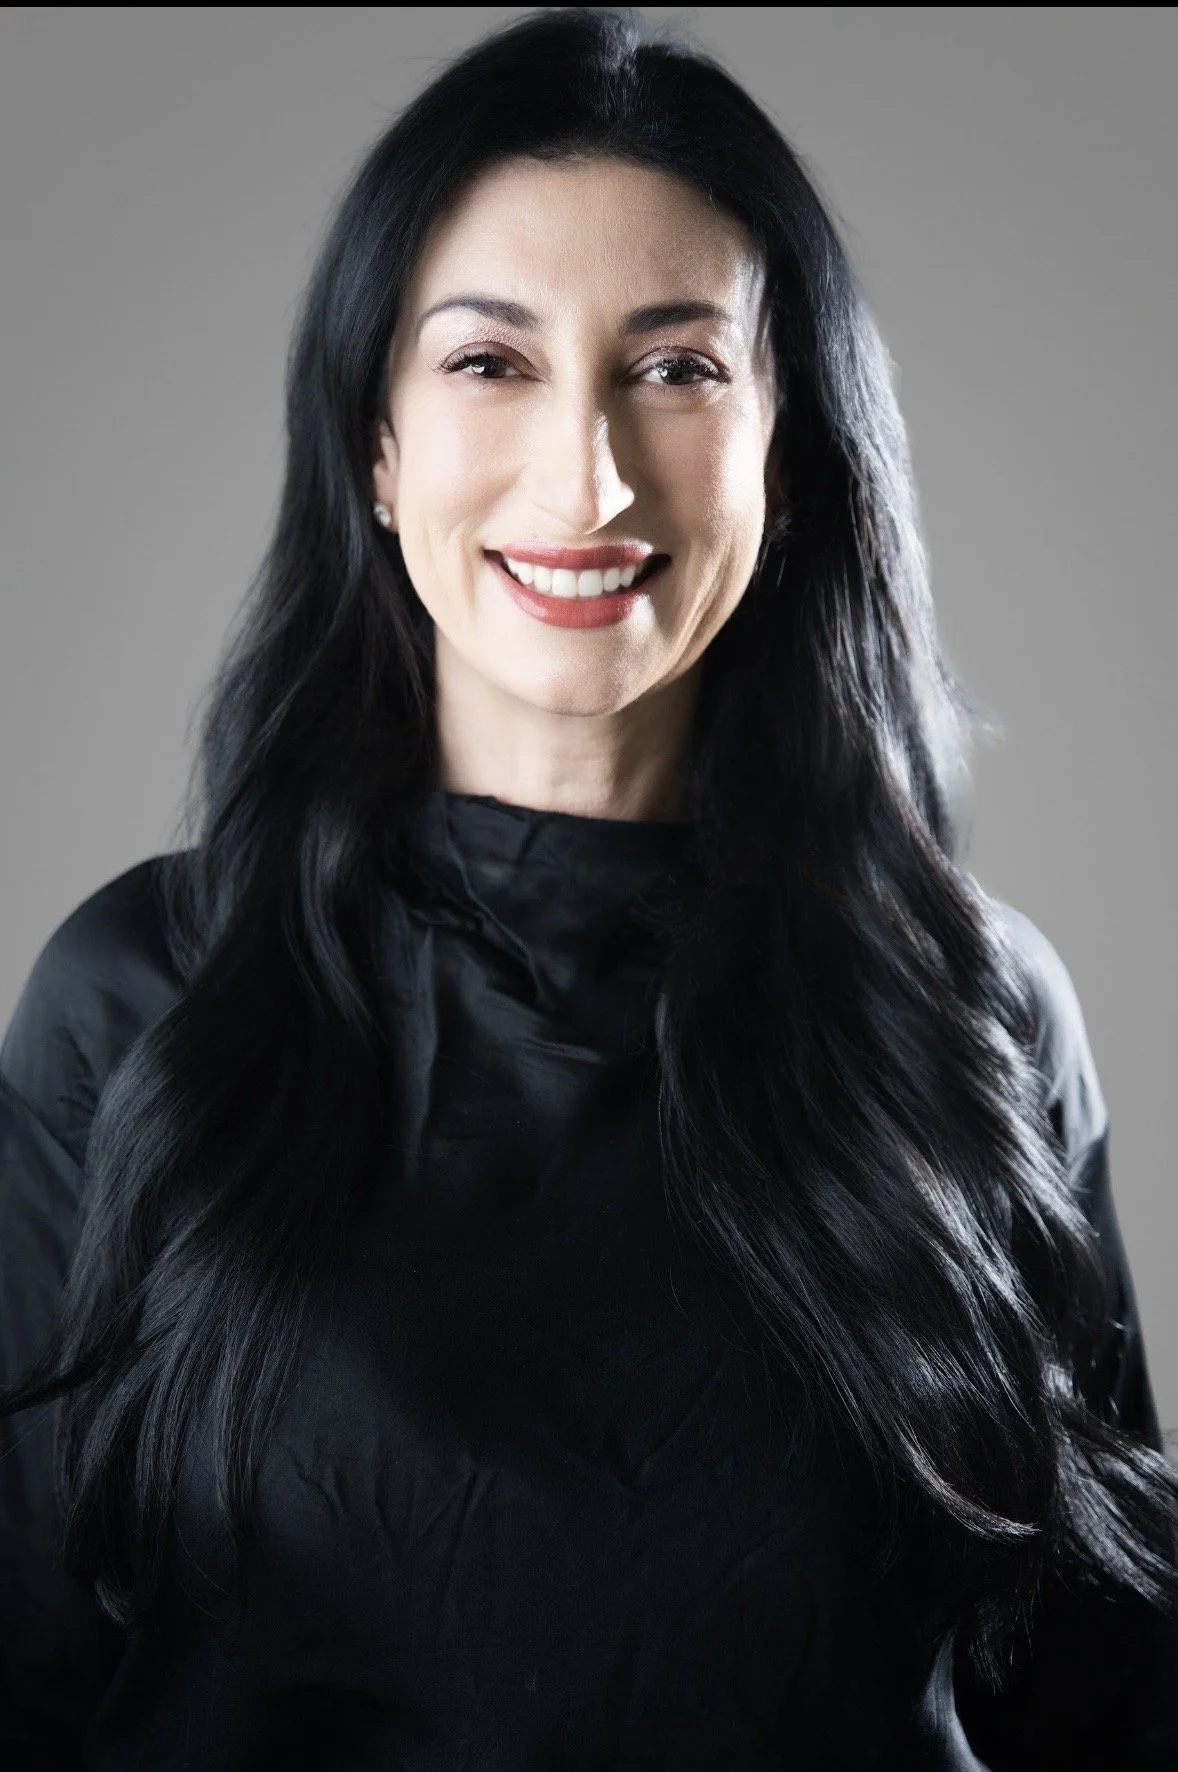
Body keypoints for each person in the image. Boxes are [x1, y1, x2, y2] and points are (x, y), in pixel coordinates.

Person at [1, 9, 1175, 1768]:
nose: (589, 474)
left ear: (790, 455)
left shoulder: (975, 1013)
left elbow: (1100, 1694)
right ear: (374, 448)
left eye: (678, 367)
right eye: (490, 363)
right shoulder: (146, 995)